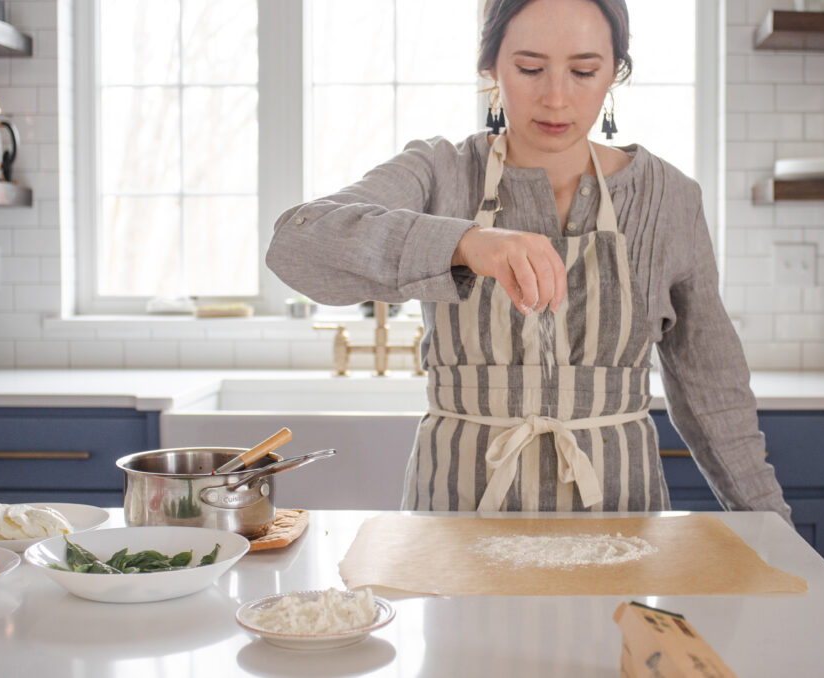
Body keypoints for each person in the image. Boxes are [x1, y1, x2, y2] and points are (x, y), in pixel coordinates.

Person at [267, 0, 792, 523]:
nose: (556, 97)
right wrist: (467, 243)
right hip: (454, 524)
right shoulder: (440, 174)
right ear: (490, 66)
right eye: (530, 68)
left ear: (616, 72)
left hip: (619, 522)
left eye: (584, 70)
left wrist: (776, 532)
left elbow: (714, 397)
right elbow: (296, 245)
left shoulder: (668, 199)